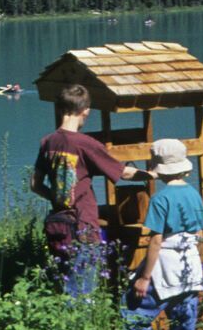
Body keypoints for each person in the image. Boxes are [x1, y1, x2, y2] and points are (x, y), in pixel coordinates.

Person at [32, 84, 133, 295]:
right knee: (82, 292)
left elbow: (35, 184)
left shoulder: (48, 142)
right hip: (83, 227)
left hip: (58, 226)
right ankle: (80, 325)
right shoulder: (84, 143)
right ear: (85, 110)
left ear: (60, 108)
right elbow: (123, 173)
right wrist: (154, 175)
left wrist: (58, 198)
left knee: (65, 286)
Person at [123, 137, 203, 330]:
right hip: (190, 267)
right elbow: (200, 228)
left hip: (164, 267)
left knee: (133, 315)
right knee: (183, 326)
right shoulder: (194, 194)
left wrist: (143, 277)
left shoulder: (161, 198)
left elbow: (157, 240)